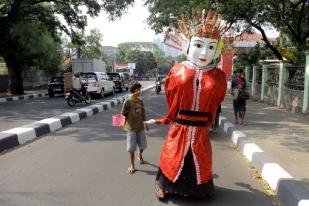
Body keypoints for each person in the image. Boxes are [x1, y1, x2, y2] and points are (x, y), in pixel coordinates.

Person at [144, 10, 227, 200]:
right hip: (180, 125)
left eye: (211, 47)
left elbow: (216, 103)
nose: (204, 53)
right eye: (198, 45)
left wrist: (209, 122)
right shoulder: (177, 70)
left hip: (200, 129)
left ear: (218, 50)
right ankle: (164, 186)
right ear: (187, 45)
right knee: (172, 155)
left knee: (200, 159)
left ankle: (199, 190)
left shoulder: (218, 76)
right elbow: (171, 97)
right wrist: (166, 119)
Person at [121, 83, 148, 174]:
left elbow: (143, 113)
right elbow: (123, 113)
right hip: (131, 127)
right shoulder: (128, 101)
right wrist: (122, 124)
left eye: (140, 89)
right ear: (135, 90)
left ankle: (139, 155)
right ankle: (132, 165)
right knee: (131, 148)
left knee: (143, 145)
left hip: (140, 126)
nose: (140, 91)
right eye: (139, 89)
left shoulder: (140, 101)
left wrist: (145, 123)